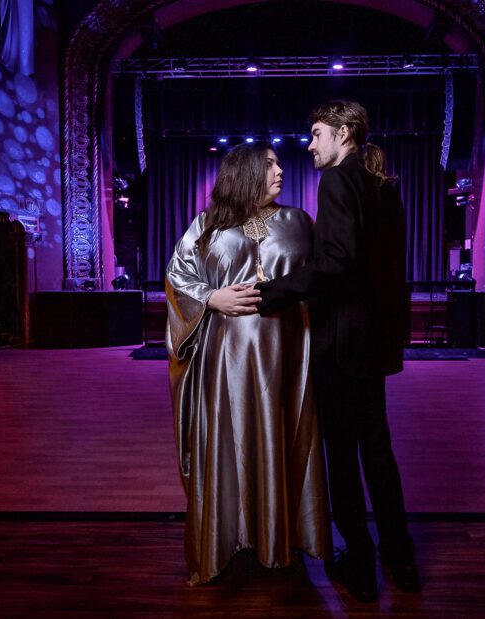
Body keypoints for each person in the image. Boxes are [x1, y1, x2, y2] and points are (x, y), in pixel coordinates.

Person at [256, 100, 420, 602]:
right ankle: (402, 561)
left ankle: (363, 572)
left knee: (345, 461)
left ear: (344, 134)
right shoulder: (382, 186)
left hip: (343, 343)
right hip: (374, 342)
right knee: (379, 455)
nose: (310, 144)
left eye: (317, 133)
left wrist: (271, 293)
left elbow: (336, 263)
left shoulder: (339, 180)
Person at [165, 142, 331, 586]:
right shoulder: (207, 226)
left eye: (279, 164)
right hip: (226, 360)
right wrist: (210, 297)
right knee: (229, 440)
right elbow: (178, 276)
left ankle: (281, 542)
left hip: (289, 354)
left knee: (285, 437)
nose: (281, 171)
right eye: (270, 164)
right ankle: (229, 539)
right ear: (244, 172)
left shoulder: (299, 222)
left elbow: (324, 280)